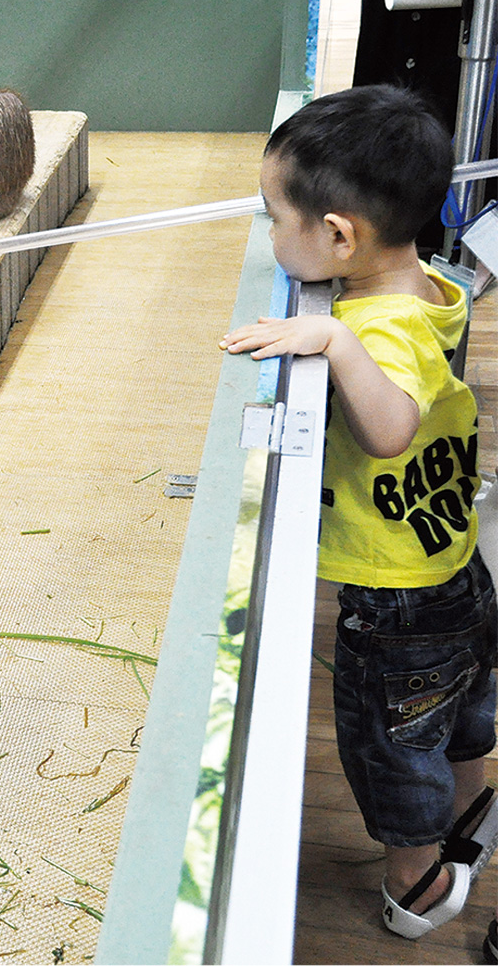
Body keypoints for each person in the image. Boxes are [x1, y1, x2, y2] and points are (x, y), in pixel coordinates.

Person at [220, 84, 498, 947]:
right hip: (457, 563)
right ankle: (476, 816)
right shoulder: (432, 285)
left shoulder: (377, 331)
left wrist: (335, 339)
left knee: (392, 745)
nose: (271, 236)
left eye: (276, 219)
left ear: (339, 235)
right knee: (463, 712)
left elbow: (389, 431)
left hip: (396, 600)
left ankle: (420, 882)